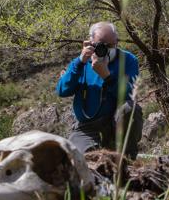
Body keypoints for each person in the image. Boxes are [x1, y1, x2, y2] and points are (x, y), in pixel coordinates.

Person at [56, 21, 143, 159]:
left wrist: (106, 76)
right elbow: (62, 90)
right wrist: (80, 62)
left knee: (129, 108)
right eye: (102, 45)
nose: (107, 49)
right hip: (87, 128)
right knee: (83, 161)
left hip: (115, 122)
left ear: (117, 41)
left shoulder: (128, 60)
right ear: (91, 43)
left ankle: (127, 157)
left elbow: (129, 94)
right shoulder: (81, 63)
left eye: (111, 45)